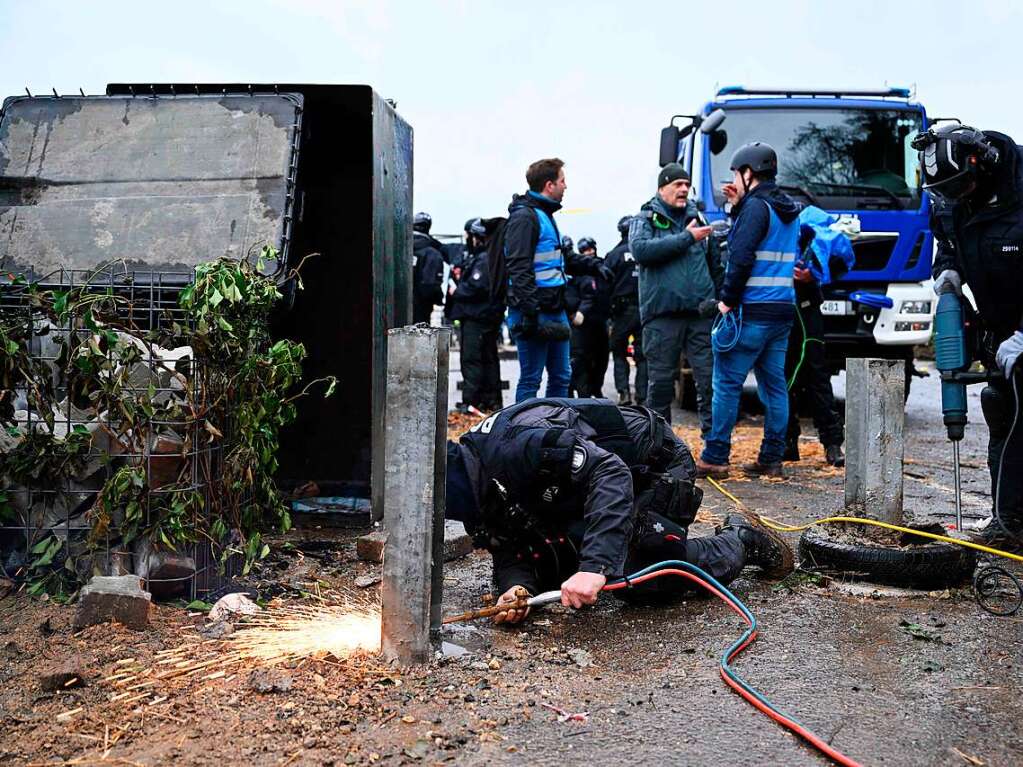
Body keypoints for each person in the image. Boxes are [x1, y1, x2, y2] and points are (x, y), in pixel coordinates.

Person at [445, 398, 794, 622]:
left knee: (635, 574)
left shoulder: (516, 447)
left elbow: (609, 473)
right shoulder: (474, 480)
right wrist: (517, 589)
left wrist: (596, 566)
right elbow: (510, 545)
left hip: (651, 464)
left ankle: (740, 540)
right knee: (559, 566)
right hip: (601, 485)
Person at [913, 123, 1023, 549]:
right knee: (1001, 412)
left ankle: (1011, 518)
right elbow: (948, 245)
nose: (955, 199)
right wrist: (948, 274)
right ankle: (1008, 518)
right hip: (999, 331)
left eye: (960, 189)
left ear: (981, 163)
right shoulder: (950, 200)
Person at [698, 143, 800, 479]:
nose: (734, 180)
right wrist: (735, 207)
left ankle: (715, 457)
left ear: (748, 173)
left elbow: (740, 256)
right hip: (782, 310)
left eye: (735, 174)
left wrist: (726, 300)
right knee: (774, 386)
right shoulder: (788, 210)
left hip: (750, 310)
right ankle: (772, 459)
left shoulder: (756, 209)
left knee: (726, 383)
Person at [504, 158, 612, 402]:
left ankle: (554, 427)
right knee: (531, 377)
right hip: (535, 311)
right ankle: (521, 433)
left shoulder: (544, 215)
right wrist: (530, 311)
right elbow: (519, 267)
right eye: (563, 181)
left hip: (554, 308)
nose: (566, 186)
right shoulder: (526, 217)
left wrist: (594, 265)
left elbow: (562, 258)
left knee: (562, 376)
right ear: (549, 184)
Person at [629, 163, 722, 433]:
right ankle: (662, 449)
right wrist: (686, 238)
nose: (683, 189)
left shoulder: (700, 219)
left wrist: (719, 301)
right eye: (676, 185)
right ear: (661, 189)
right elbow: (641, 250)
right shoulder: (645, 218)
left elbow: (715, 265)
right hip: (662, 317)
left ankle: (713, 449)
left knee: (709, 383)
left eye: (686, 184)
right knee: (659, 386)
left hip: (700, 316)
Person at [784, 256, 845, 467]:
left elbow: (841, 259)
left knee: (817, 375)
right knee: (782, 378)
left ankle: (832, 443)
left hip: (806, 306)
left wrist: (814, 272)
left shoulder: (815, 226)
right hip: (777, 306)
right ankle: (787, 442)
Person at [451, 218, 505, 412]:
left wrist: (456, 290)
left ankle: (473, 402)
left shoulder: (483, 259)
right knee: (488, 358)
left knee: (473, 359)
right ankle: (489, 400)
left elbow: (477, 286)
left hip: (477, 317)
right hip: (485, 316)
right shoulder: (489, 256)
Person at [605, 216, 647, 406]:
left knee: (619, 352)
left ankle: (623, 393)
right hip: (644, 310)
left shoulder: (614, 255)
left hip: (621, 312)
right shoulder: (646, 252)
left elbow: (605, 285)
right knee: (643, 354)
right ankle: (642, 395)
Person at [568, 236, 611, 398]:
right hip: (580, 323)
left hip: (599, 321)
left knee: (601, 358)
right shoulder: (576, 271)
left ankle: (595, 389)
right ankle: (582, 392)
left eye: (590, 249)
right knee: (580, 360)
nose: (589, 253)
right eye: (585, 250)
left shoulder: (601, 267)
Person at [412, 212, 446, 324]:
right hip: (422, 309)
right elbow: (431, 286)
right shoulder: (432, 253)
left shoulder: (398, 248)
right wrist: (438, 298)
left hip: (396, 306)